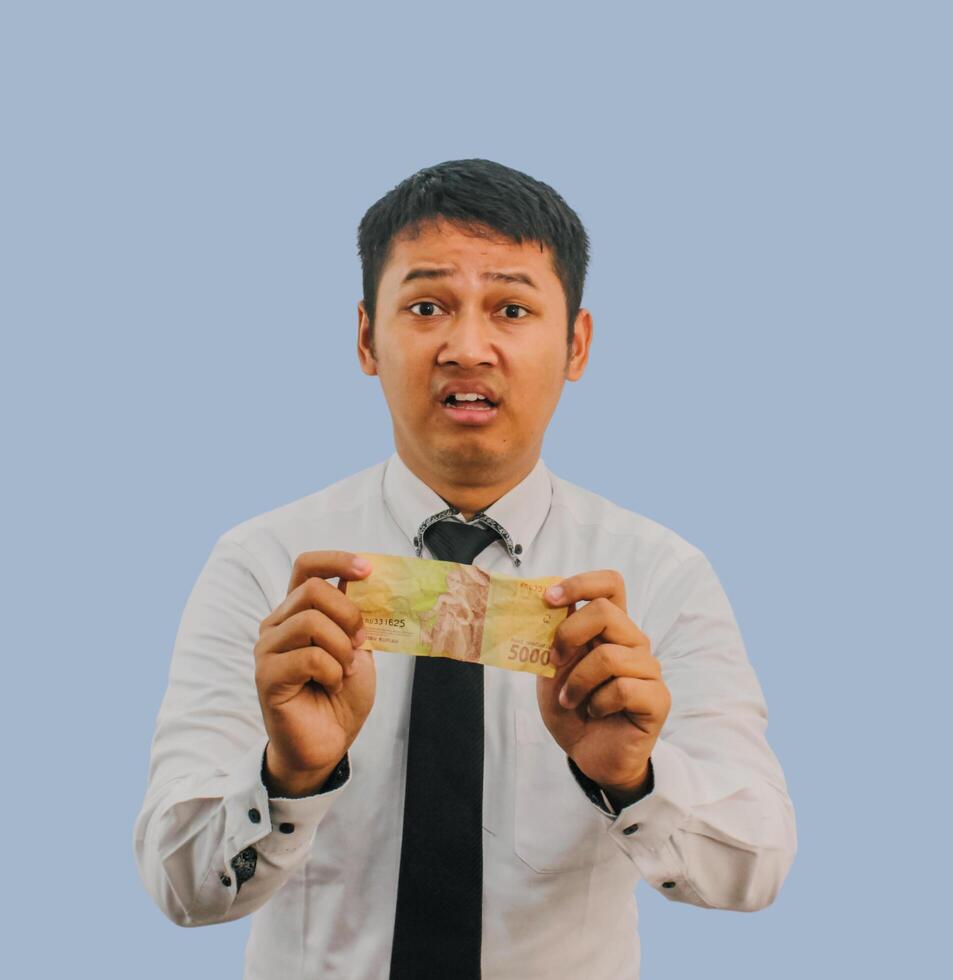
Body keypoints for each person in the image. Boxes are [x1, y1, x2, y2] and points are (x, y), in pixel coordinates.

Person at [133, 158, 797, 979]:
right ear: (367, 339)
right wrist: (289, 776)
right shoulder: (265, 565)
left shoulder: (659, 575)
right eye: (425, 307)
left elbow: (756, 867)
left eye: (512, 309)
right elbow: (179, 887)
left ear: (575, 344)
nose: (466, 347)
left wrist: (633, 780)